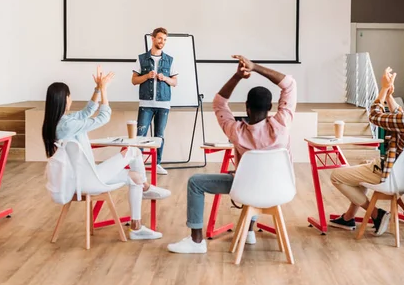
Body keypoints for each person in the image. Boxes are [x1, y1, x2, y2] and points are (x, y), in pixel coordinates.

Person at [167, 55, 297, 254]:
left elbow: (219, 103)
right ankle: (249, 231)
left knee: (196, 182)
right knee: (256, 178)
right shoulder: (282, 125)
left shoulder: (236, 132)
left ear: (246, 107)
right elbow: (289, 85)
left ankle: (196, 241)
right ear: (271, 107)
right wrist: (255, 67)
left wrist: (237, 76)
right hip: (281, 188)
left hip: (247, 189)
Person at [42, 66, 171, 240]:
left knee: (134, 177)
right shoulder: (67, 125)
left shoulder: (61, 122)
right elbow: (103, 117)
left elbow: (86, 112)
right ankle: (146, 189)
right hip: (88, 180)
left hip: (80, 179)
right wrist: (104, 91)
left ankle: (136, 226)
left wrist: (96, 88)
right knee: (133, 151)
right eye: (69, 95)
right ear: (64, 99)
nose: (71, 99)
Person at [330, 68, 404, 236]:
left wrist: (382, 89)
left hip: (390, 176)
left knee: (336, 176)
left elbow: (374, 115)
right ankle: (348, 218)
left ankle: (376, 214)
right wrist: (389, 96)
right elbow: (403, 117)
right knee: (362, 166)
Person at [132, 27, 178, 176]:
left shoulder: (170, 60)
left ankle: (156, 163)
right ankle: (138, 165)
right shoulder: (141, 58)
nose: (162, 42)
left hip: (163, 104)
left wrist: (165, 78)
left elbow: (175, 82)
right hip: (146, 104)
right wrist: (146, 76)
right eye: (159, 38)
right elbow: (134, 80)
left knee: (159, 135)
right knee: (140, 135)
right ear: (152, 38)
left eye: (164, 39)